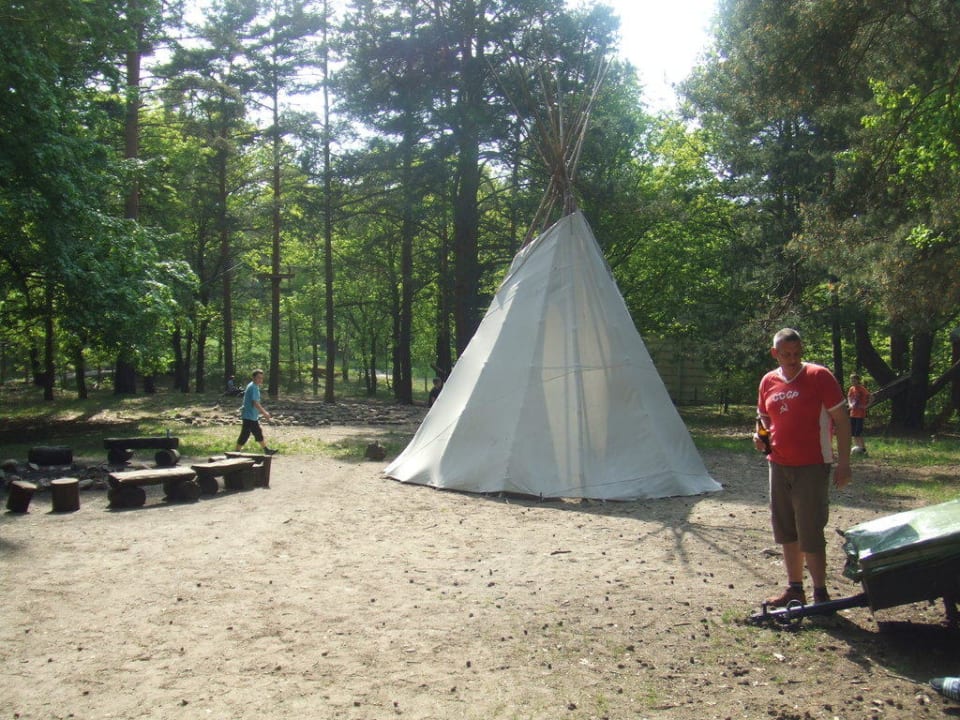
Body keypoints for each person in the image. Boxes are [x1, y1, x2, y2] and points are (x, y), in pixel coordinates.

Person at [754, 328, 852, 608]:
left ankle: (820, 592)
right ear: (776, 353)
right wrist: (760, 439)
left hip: (812, 464)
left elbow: (842, 421)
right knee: (786, 528)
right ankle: (795, 588)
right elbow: (762, 419)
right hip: (778, 464)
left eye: (797, 353)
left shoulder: (819, 376)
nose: (793, 359)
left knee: (810, 527)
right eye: (786, 354)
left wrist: (843, 463)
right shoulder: (768, 381)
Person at [235, 369, 278, 455]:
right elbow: (255, 403)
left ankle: (266, 450)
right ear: (253, 377)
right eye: (258, 378)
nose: (260, 380)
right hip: (249, 416)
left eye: (261, 378)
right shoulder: (253, 387)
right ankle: (235, 453)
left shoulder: (253, 386)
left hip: (251, 415)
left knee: (256, 432)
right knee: (245, 434)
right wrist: (264, 413)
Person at [847, 374, 871, 454]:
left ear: (858, 380)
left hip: (860, 414)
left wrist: (866, 406)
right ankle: (858, 448)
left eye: (854, 380)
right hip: (852, 413)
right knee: (853, 433)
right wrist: (850, 404)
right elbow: (849, 397)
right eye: (851, 380)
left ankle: (863, 449)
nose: (852, 381)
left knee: (858, 433)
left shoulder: (862, 389)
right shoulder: (851, 389)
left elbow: (871, 397)